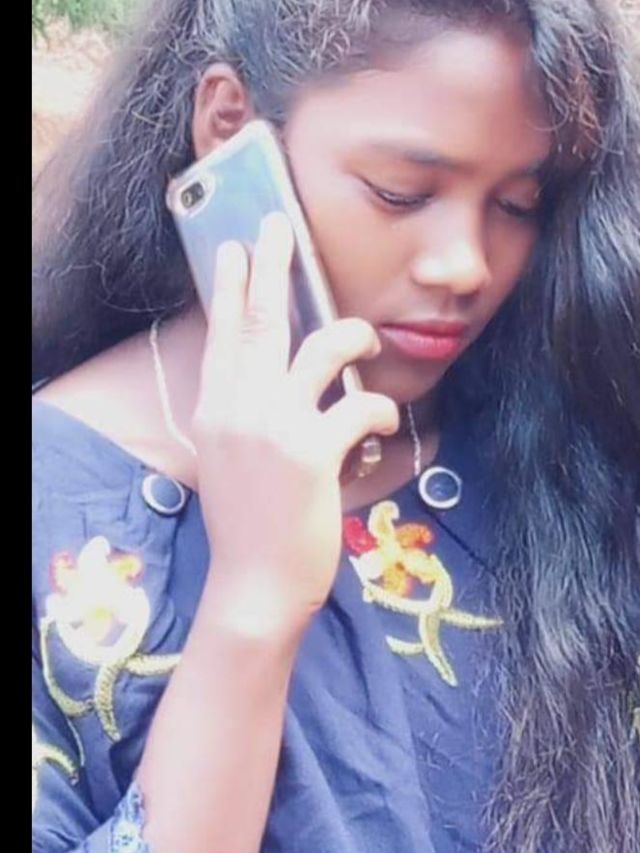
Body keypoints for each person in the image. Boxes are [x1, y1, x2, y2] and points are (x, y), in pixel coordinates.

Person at [32, 1, 640, 851]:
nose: (465, 264)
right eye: (401, 193)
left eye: (518, 204)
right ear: (229, 126)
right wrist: (254, 601)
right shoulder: (53, 499)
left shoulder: (567, 439)